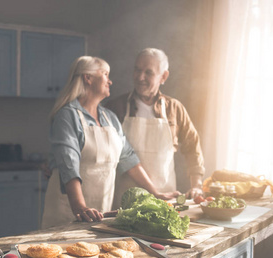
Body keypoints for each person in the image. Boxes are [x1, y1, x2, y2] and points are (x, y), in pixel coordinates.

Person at [41, 56, 178, 229]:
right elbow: (69, 164)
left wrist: (155, 193)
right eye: (105, 74)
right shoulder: (67, 116)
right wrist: (79, 207)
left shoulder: (109, 118)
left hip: (99, 212)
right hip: (69, 210)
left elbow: (128, 159)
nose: (110, 81)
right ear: (88, 78)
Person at [104, 48, 205, 209]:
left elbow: (193, 147)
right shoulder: (116, 107)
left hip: (166, 197)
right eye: (137, 69)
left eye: (148, 72)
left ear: (163, 76)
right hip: (125, 199)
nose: (140, 77)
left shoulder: (175, 109)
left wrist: (197, 184)